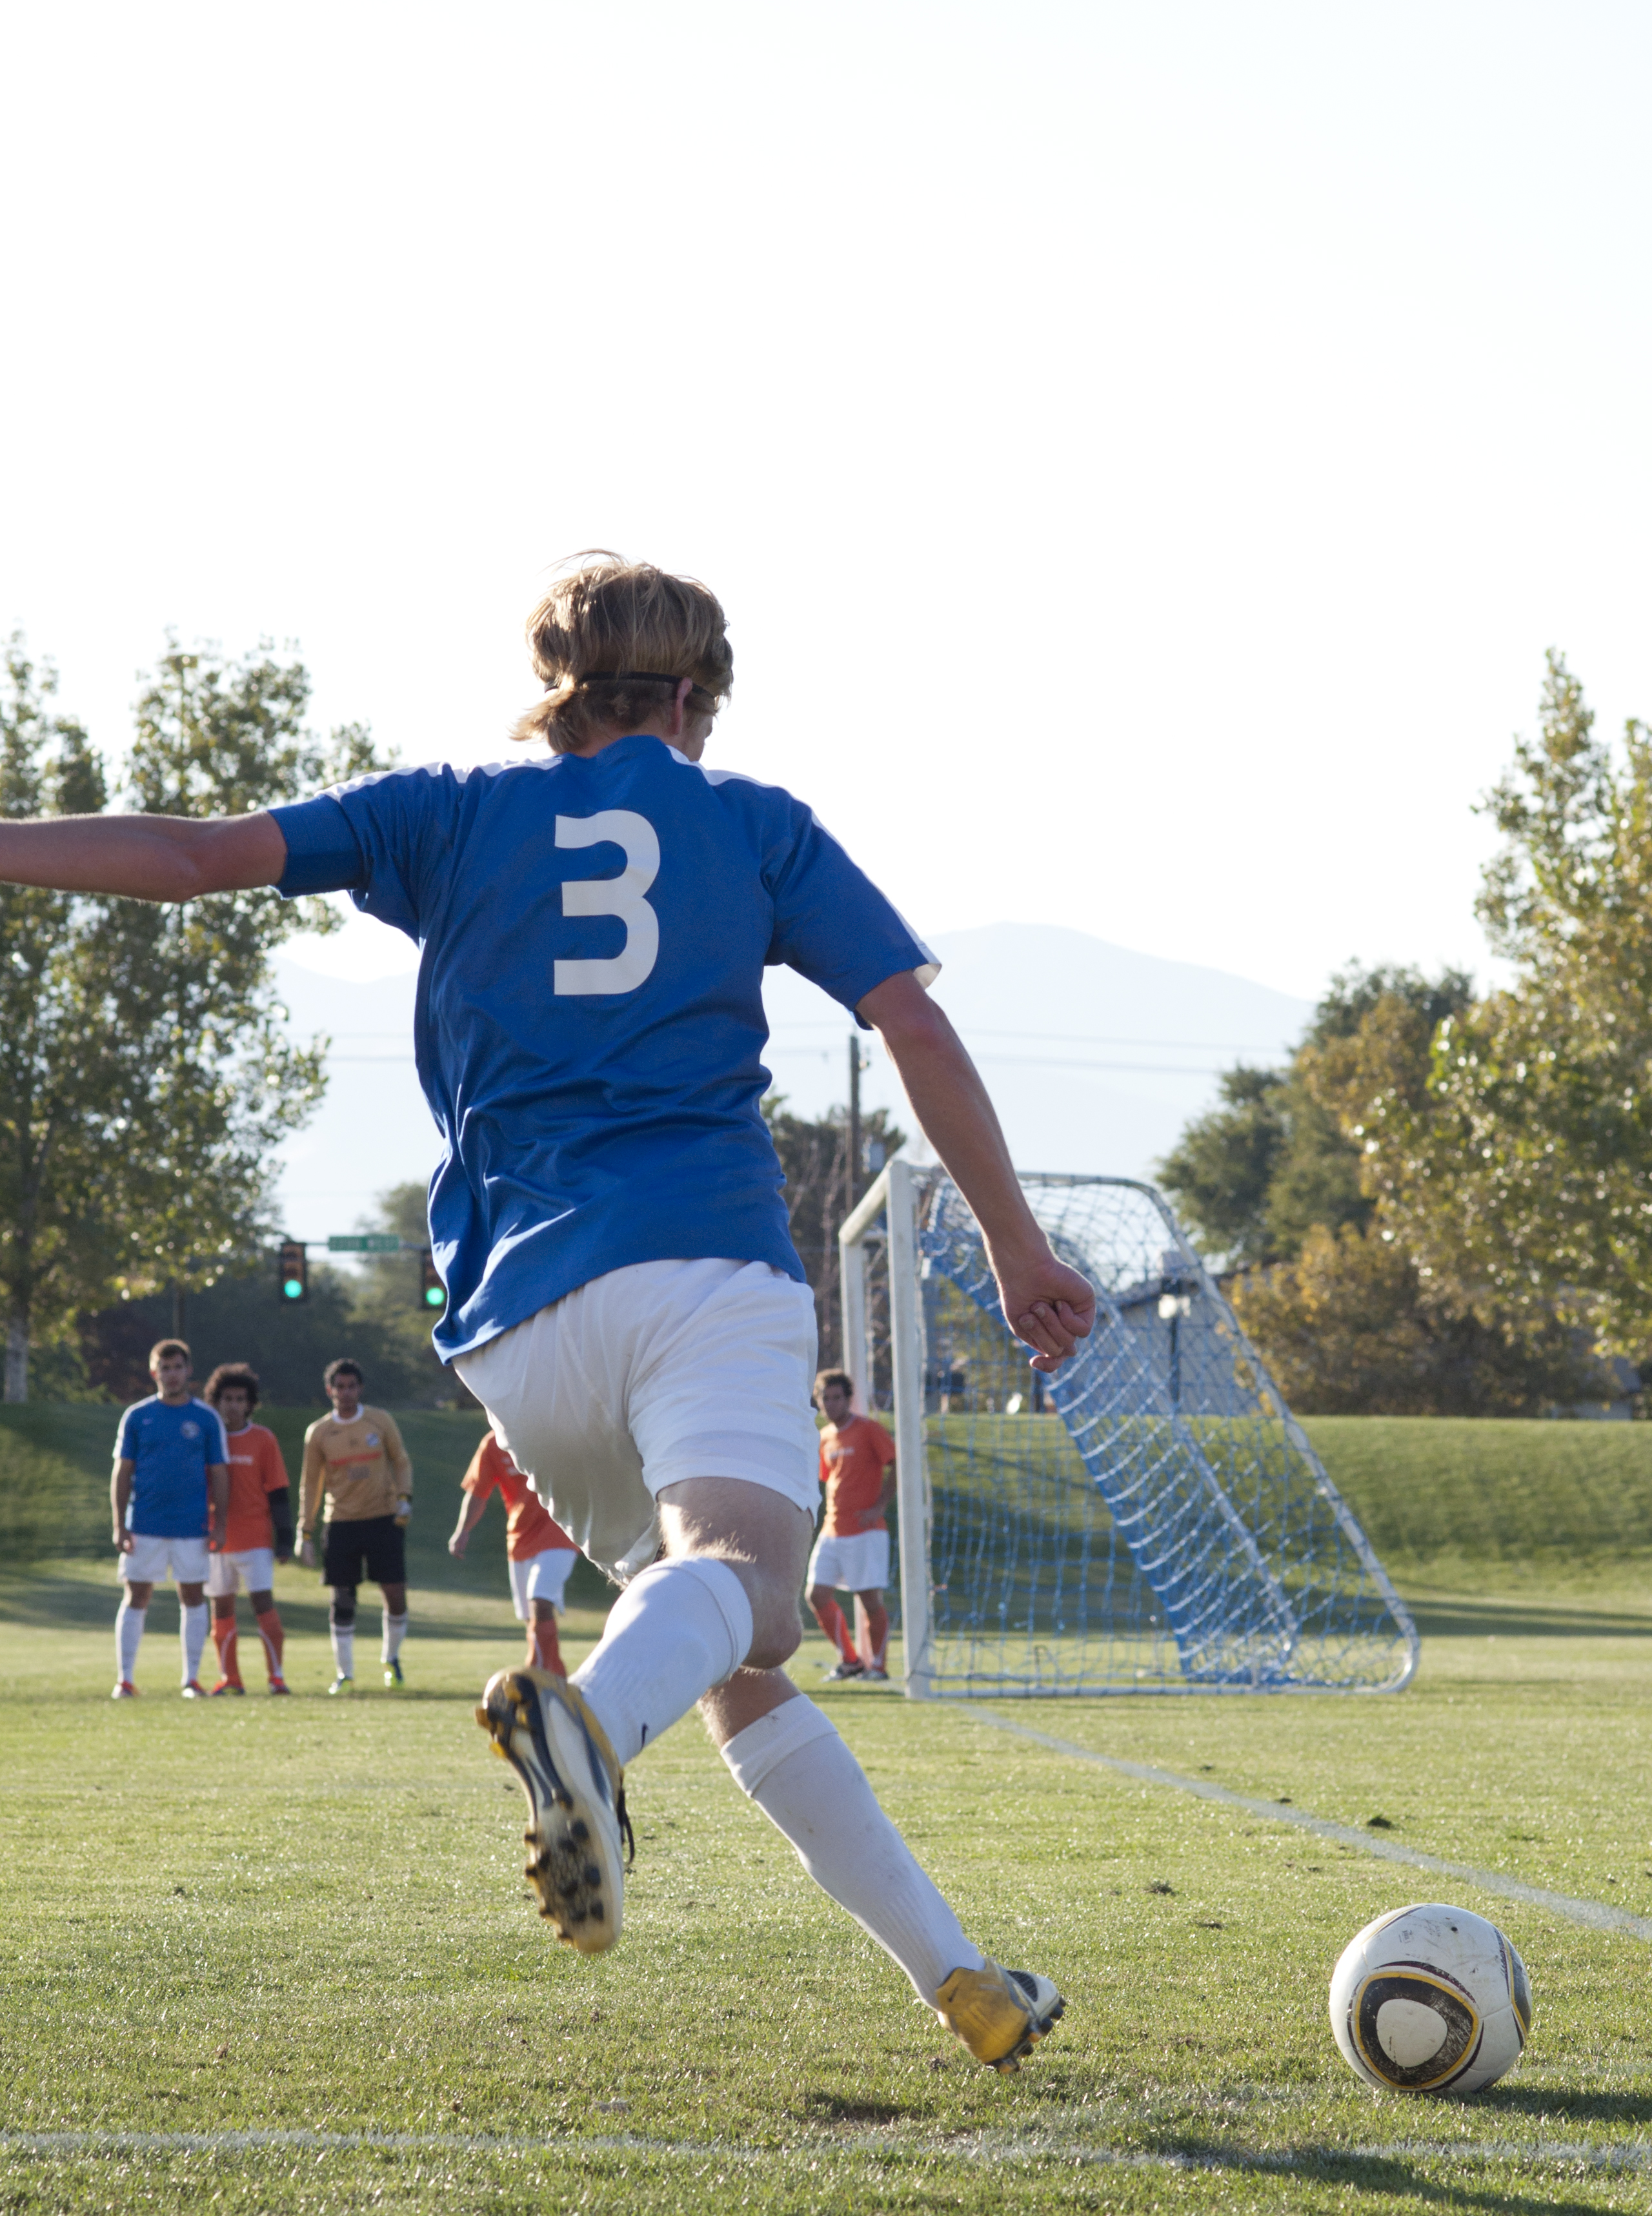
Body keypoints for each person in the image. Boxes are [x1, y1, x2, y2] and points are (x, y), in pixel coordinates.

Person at [0, 556, 1094, 2074]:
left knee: (724, 1645)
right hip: (700, 1260)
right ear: (698, 694)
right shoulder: (753, 822)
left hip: (517, 1320)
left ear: (554, 683)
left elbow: (190, 855)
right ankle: (582, 1728)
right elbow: (906, 1015)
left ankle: (958, 1978)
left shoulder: (445, 808)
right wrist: (1016, 1242)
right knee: (753, 1593)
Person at [110, 1339, 231, 1699]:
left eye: (178, 1367)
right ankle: (125, 1680)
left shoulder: (206, 1418)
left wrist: (220, 1523)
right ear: (154, 1373)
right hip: (145, 1524)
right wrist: (120, 1523)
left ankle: (191, 1680)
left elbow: (220, 1474)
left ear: (188, 1371)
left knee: (193, 1597)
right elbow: (122, 1472)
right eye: (165, 1368)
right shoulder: (136, 1415)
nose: (172, 1374)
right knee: (136, 1596)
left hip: (191, 1526)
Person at [297, 1360, 413, 1694]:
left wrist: (405, 1497)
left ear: (360, 1389)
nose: (345, 1393)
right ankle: (344, 1674)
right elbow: (310, 1485)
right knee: (343, 1598)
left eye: (351, 1386)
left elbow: (401, 1461)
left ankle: (391, 1659)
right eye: (339, 1387)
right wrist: (305, 1532)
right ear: (329, 1390)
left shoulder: (380, 1421)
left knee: (394, 1593)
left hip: (382, 1518)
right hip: (341, 1522)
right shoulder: (318, 1432)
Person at [449, 1432, 578, 1678]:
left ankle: (534, 1672)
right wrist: (463, 1531)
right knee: (532, 1616)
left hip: (560, 1530)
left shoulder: (549, 1427)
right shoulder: (492, 1443)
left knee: (540, 1600)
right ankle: (556, 1677)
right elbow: (478, 1492)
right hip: (520, 1537)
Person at [201, 1361, 294, 1696]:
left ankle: (277, 1677)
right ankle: (231, 1680)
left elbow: (279, 1493)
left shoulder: (263, 1439)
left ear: (250, 1403)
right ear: (217, 1401)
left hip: (256, 1540)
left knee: (263, 1605)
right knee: (221, 1609)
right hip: (216, 1539)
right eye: (228, 1399)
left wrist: (284, 1541)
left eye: (241, 1399)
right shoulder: (208, 1437)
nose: (234, 1406)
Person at [807, 1369, 896, 1681]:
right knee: (816, 1596)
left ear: (848, 1399)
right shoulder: (824, 1437)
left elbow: (896, 1463)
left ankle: (879, 1667)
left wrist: (880, 1506)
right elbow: (829, 1479)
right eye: (825, 1398)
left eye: (836, 1398)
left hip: (865, 1531)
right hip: (832, 1530)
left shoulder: (869, 1430)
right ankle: (850, 1660)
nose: (831, 1404)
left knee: (869, 1600)